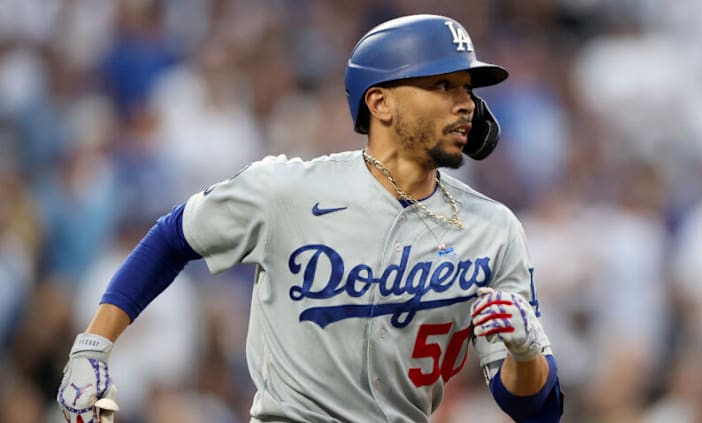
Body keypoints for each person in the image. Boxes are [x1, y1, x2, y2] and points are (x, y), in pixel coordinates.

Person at [57, 14, 563, 423]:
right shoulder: (288, 190)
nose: (466, 104)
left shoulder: (493, 229)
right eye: (444, 85)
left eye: (468, 88)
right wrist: (94, 344)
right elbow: (173, 238)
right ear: (381, 102)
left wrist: (523, 354)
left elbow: (537, 410)